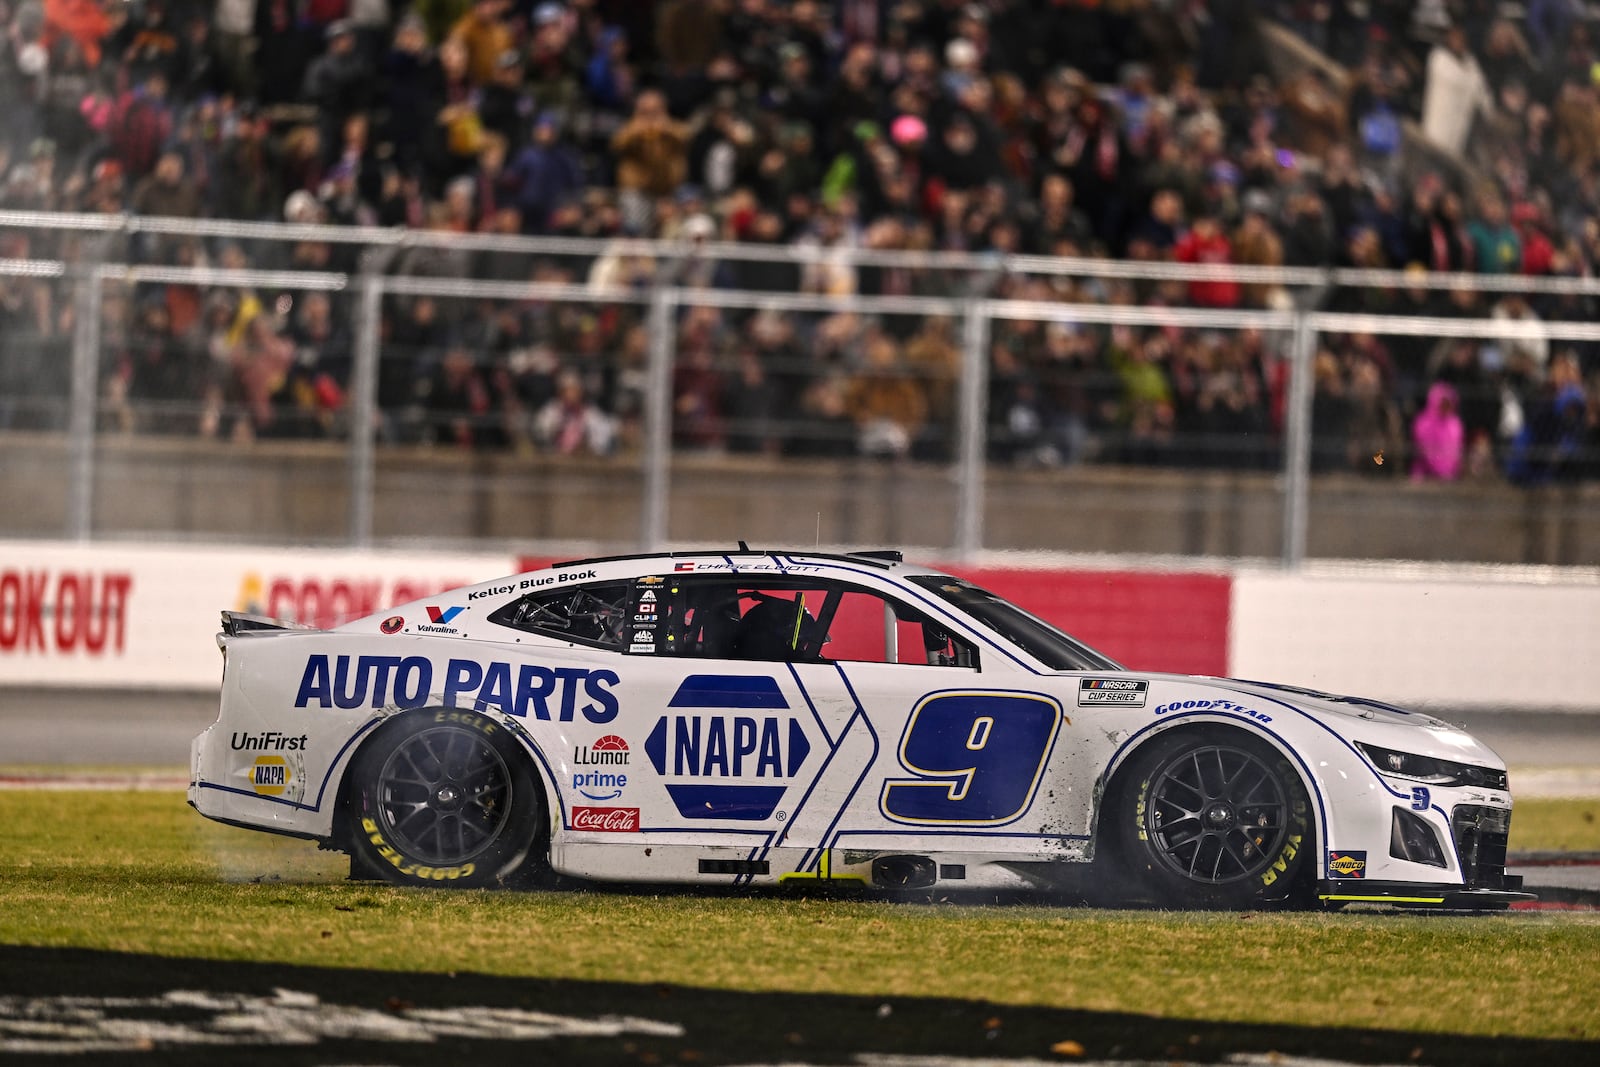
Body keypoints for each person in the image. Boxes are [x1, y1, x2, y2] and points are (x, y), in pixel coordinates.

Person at [1411, 381, 1465, 481]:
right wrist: (1441, 472)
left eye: (1449, 403)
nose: (1447, 407)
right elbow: (1425, 451)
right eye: (1444, 403)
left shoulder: (1455, 424)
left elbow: (1456, 450)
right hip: (1425, 476)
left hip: (1450, 477)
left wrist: (1451, 472)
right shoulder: (1423, 423)